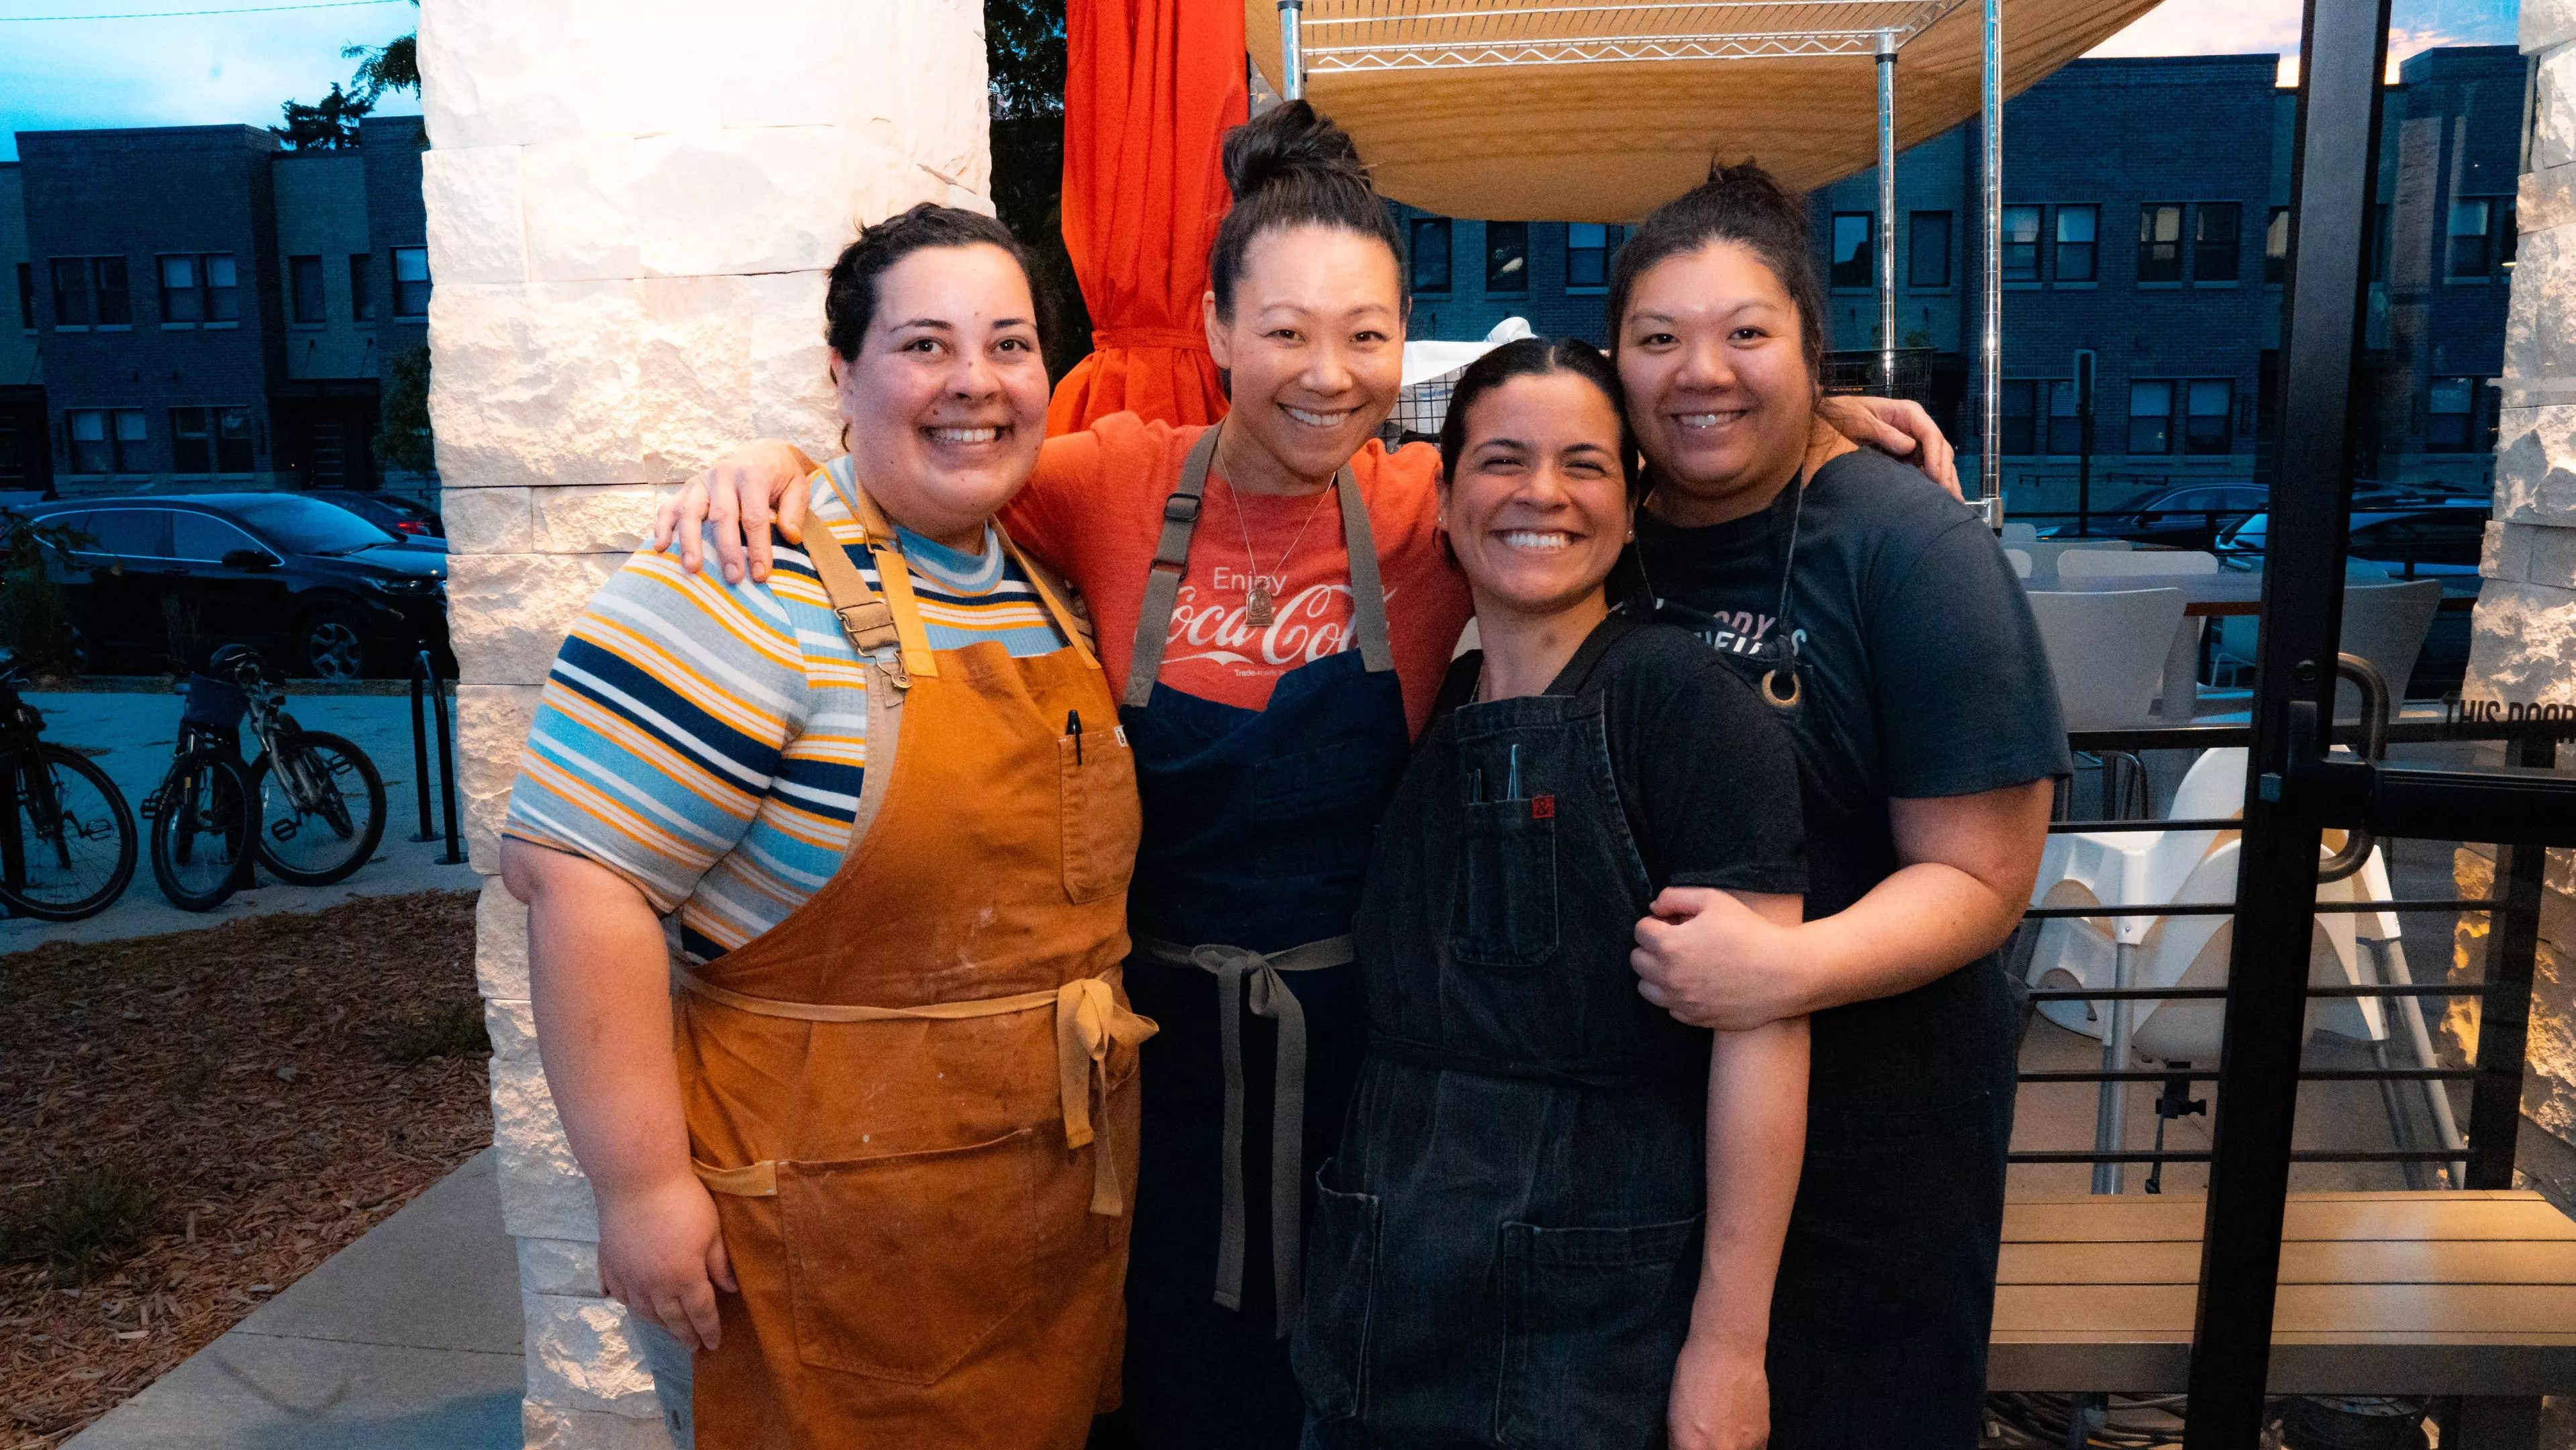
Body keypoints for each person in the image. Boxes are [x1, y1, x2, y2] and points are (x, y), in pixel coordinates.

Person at [652, 102, 1957, 1449]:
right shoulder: (1105, 483)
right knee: (1155, 1390)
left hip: (1364, 1073)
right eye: (1283, 333)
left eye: (1365, 336)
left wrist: (1810, 423)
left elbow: (1583, 481)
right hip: (1146, 1067)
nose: (1325, 374)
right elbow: (936, 457)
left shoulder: (1424, 504)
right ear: (1216, 332)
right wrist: (788, 462)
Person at [498, 203, 1154, 1450]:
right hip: (818, 1225)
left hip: (1041, 1206)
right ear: (840, 372)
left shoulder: (1046, 585)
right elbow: (580, 881)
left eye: (1009, 346)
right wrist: (639, 1189)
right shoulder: (732, 578)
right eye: (924, 346)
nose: (975, 383)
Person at [1609, 164, 2068, 1450]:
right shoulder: (1592, 520)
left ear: (1812, 345)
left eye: (1746, 334)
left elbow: (1984, 877)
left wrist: (1783, 970)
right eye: (1659, 339)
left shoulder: (1907, 547)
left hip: (1876, 1155)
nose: (1700, 371)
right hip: (1638, 1144)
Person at [1295, 336, 1809, 1450]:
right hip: (1385, 1267)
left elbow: (1764, 1036)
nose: (1540, 494)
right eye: (1501, 460)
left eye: (1583, 464)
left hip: (1600, 1303)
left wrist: (1729, 1347)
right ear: (1442, 498)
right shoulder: (1429, 694)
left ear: (1631, 503)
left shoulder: (1686, 705)